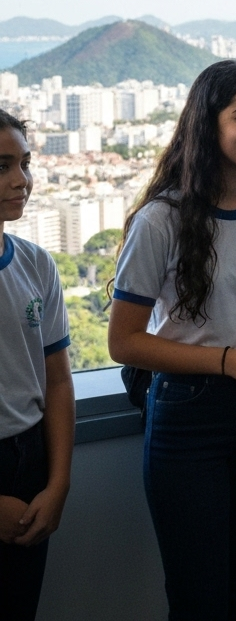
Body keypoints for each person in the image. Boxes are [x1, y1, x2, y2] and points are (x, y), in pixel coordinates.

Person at [108, 60, 236, 621]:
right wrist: (228, 362)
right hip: (189, 416)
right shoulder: (161, 220)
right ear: (208, 124)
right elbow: (123, 342)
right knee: (199, 599)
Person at [0, 108, 74, 621]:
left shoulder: (34, 264)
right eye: (2, 166)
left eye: (24, 164)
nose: (20, 181)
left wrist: (59, 481)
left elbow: (57, 380)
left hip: (28, 459)